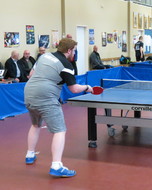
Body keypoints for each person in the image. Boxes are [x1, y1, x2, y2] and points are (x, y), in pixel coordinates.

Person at [24, 38, 93, 178]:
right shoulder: (67, 65)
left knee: (36, 124)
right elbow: (74, 89)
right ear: (69, 50)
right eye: (73, 50)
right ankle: (56, 165)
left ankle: (30, 154)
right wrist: (87, 87)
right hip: (46, 96)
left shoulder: (44, 56)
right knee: (60, 130)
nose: (74, 52)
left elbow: (31, 74)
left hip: (29, 94)